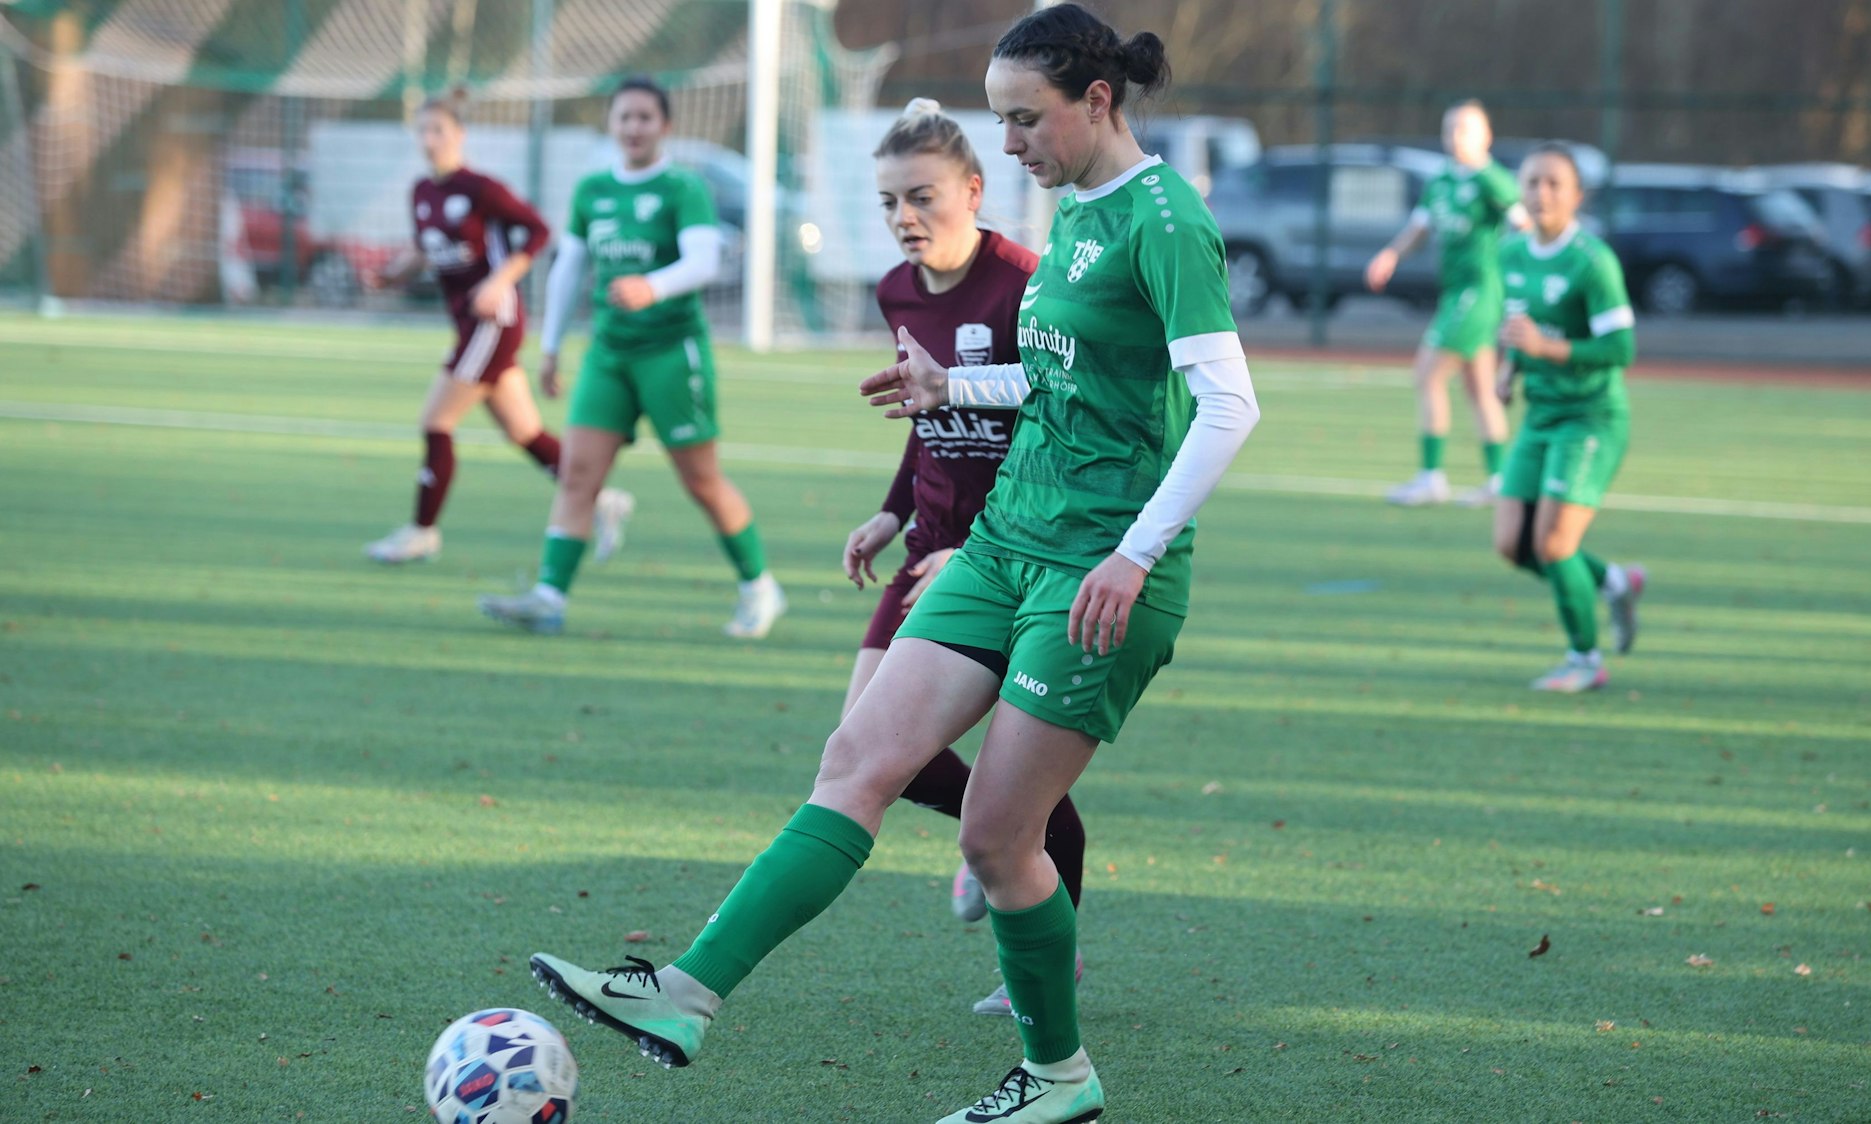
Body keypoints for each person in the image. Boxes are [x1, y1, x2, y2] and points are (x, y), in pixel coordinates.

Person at [528, 8, 1261, 1122]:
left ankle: (1058, 1074)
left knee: (996, 836)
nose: (1009, 144)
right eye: (1001, 120)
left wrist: (1134, 549)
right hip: (1006, 539)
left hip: (1097, 566)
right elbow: (1067, 382)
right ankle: (684, 991)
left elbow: (1230, 405)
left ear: (1098, 101)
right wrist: (951, 390)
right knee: (859, 753)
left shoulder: (1165, 221)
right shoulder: (1075, 212)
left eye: (1025, 119)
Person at [842, 97, 1087, 1017]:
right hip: (928, 549)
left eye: (923, 198)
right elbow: (928, 415)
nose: (906, 218)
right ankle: (998, 847)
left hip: (1016, 557)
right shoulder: (896, 293)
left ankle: (1040, 925)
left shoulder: (1027, 282)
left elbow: (1059, 428)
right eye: (888, 203)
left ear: (974, 191)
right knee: (861, 747)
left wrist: (978, 549)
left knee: (1012, 783)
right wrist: (890, 511)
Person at [477, 76, 785, 639]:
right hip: (608, 354)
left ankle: (760, 588)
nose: (634, 127)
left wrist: (654, 287)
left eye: (645, 117)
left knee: (700, 480)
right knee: (577, 476)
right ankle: (549, 595)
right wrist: (548, 347)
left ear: (664, 126)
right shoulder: (593, 190)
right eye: (624, 117)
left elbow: (704, 260)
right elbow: (570, 267)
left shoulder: (682, 188)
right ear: (611, 125)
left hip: (671, 353)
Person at [362, 89, 631, 564]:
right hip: (469, 325)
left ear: (459, 135)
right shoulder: (422, 193)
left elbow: (539, 230)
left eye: (438, 130)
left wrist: (499, 280)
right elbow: (427, 249)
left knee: (436, 421)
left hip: (494, 321)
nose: (429, 140)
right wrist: (393, 273)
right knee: (524, 432)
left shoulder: (480, 189)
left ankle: (423, 531)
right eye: (422, 130)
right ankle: (603, 501)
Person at [1492, 143, 1647, 692]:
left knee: (1554, 545)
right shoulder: (1510, 253)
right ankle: (1612, 581)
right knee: (1513, 543)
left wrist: (1545, 348)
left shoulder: (1592, 261)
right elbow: (1515, 327)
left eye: (1555, 183)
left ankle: (1585, 660)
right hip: (1541, 415)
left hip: (1592, 417)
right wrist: (1508, 369)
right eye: (1533, 182)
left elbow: (1622, 348)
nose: (1542, 193)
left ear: (1577, 195)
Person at [1365, 100, 1529, 507]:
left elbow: (1524, 226)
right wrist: (1390, 255)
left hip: (1479, 293)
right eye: (1449, 128)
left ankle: (1431, 477)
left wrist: (1520, 274)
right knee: (1480, 389)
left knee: (1427, 374)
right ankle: (1499, 480)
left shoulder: (1492, 181)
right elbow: (1419, 228)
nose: (1455, 137)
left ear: (1486, 137)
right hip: (1455, 292)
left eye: (1465, 129)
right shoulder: (1440, 181)